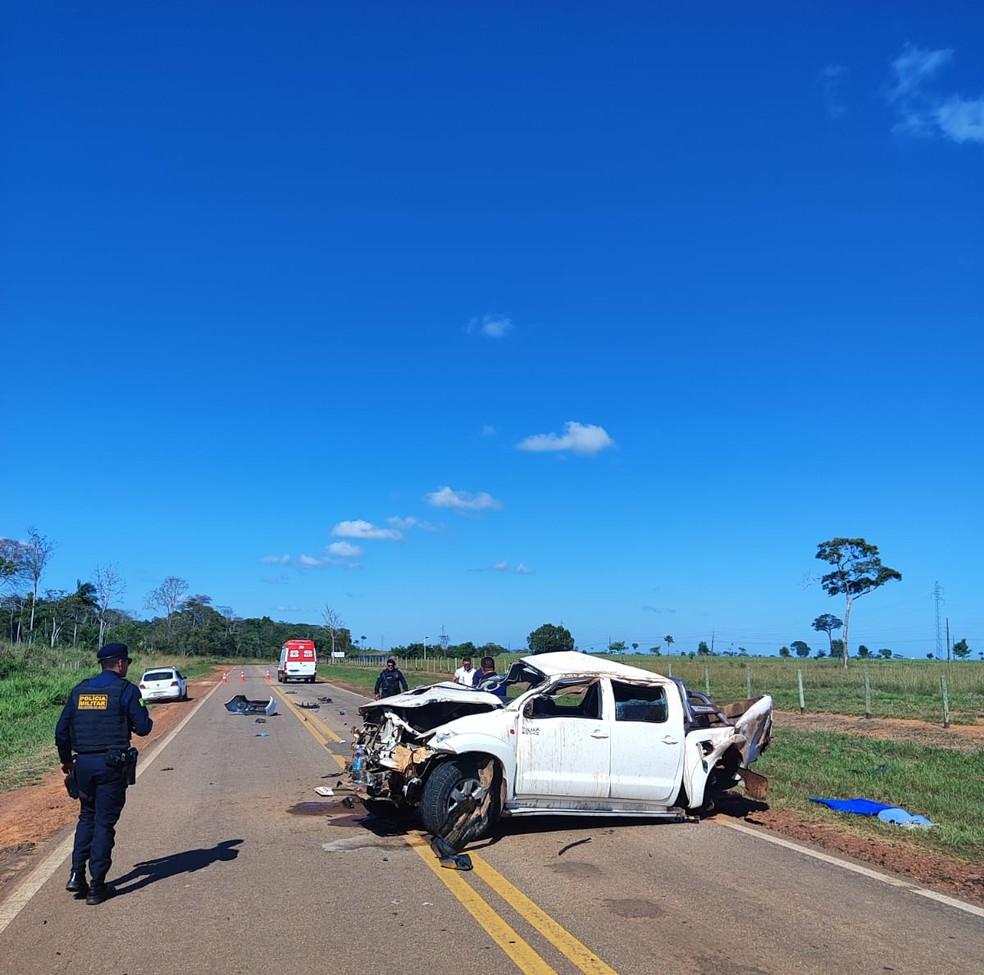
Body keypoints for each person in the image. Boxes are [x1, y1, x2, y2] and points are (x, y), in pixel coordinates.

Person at [55, 642, 153, 905]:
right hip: (111, 766)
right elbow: (144, 728)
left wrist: (66, 761)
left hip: (83, 765)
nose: (127, 666)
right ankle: (97, 886)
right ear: (120, 663)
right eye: (127, 662)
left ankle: (76, 875)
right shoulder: (127, 690)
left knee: (86, 817)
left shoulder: (80, 690)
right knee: (103, 823)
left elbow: (61, 731)